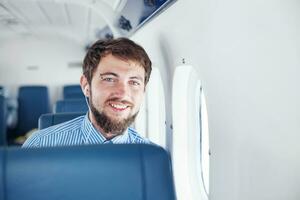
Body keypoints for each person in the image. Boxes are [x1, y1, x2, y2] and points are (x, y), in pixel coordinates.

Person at [22, 37, 152, 148]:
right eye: (109, 79)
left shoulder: (150, 157)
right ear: (86, 86)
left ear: (144, 91)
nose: (123, 93)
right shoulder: (41, 145)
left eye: (134, 82)